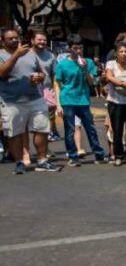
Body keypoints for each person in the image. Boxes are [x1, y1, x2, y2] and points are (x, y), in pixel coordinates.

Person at [0, 28, 61, 174]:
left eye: (16, 37)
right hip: (11, 101)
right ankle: (19, 162)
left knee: (42, 129)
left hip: (35, 98)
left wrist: (39, 77)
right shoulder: (2, 55)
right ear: (2, 41)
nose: (15, 40)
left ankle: (42, 161)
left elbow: (41, 72)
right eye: (10, 38)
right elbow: (2, 73)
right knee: (14, 132)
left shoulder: (30, 54)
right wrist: (16, 55)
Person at [53, 35, 107, 167]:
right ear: (69, 48)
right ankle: (73, 155)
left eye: (80, 48)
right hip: (68, 99)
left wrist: (84, 69)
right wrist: (58, 104)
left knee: (90, 128)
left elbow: (91, 82)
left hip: (83, 99)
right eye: (75, 48)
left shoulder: (87, 62)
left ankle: (98, 153)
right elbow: (58, 84)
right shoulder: (62, 64)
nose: (78, 51)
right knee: (70, 130)